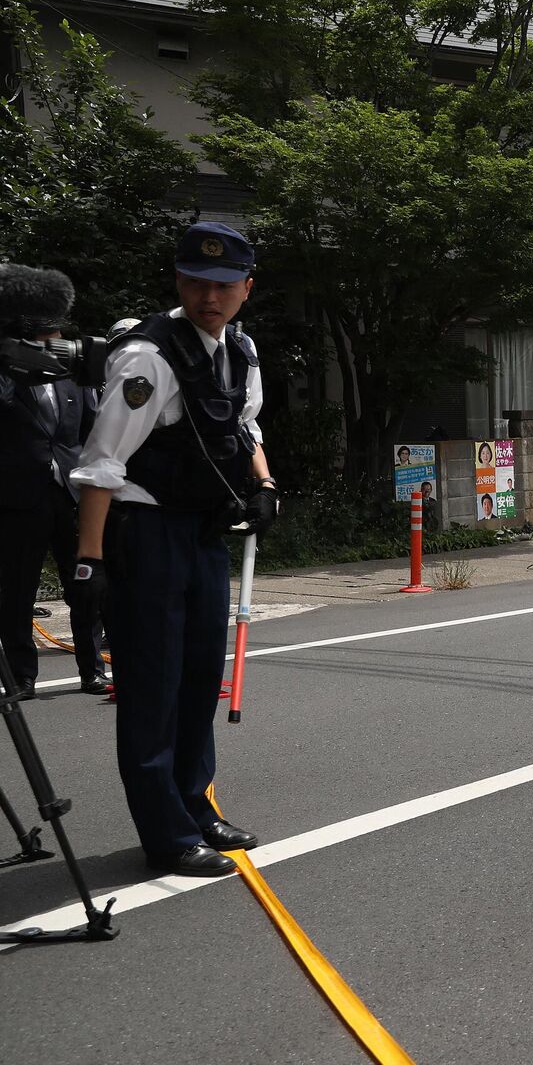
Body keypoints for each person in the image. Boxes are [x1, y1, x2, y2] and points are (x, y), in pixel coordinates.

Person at [68, 222, 278, 879]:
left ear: (246, 287)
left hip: (203, 536)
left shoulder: (238, 352)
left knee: (196, 681)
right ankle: (166, 834)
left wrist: (264, 483)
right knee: (152, 687)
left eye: (221, 285)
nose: (208, 296)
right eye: (194, 282)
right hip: (148, 535)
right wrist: (89, 562)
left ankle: (196, 805)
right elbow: (102, 464)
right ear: (178, 282)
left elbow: (243, 428)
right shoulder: (148, 359)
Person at [0, 265, 110, 698]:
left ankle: (92, 669)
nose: (52, 343)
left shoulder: (71, 375)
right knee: (16, 591)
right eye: (42, 337)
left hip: (70, 493)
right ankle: (23, 677)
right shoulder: (8, 371)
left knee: (83, 584)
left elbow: (91, 430)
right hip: (19, 497)